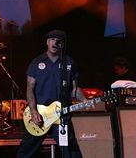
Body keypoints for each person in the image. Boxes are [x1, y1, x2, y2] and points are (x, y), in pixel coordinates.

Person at [17, 30, 87, 158]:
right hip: (40, 115)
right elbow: (29, 89)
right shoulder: (36, 63)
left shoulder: (69, 63)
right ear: (47, 42)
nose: (54, 42)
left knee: (71, 151)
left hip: (61, 116)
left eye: (58, 40)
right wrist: (33, 111)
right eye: (52, 39)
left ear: (63, 44)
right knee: (26, 151)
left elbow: (74, 88)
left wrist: (84, 100)